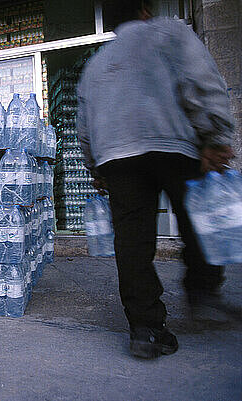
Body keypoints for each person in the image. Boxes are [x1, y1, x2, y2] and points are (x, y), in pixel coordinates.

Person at [77, 0, 236, 359]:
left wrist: (96, 168)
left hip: (117, 157)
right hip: (173, 144)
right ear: (145, 11)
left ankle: (146, 330)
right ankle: (204, 292)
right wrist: (216, 136)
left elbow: (84, 127)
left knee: (132, 243)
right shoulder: (171, 33)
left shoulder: (96, 64)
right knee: (197, 219)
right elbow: (203, 82)